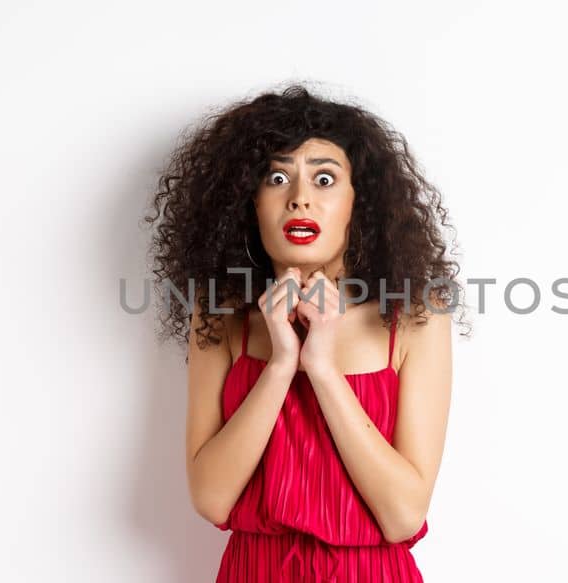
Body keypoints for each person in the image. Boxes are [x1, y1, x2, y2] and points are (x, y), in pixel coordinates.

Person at [146, 83, 461, 581]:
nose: (299, 200)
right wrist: (279, 364)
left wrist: (320, 367)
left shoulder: (415, 318)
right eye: (277, 177)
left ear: (361, 202)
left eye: (325, 179)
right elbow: (211, 498)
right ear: (249, 202)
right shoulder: (218, 315)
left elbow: (404, 516)